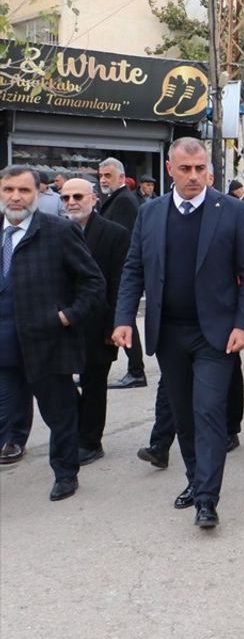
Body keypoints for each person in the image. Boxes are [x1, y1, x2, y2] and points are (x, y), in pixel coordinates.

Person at [112, 137, 244, 529]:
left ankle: (207, 500)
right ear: (170, 170)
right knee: (184, 417)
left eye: (200, 169)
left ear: (207, 169)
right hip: (169, 333)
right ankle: (195, 481)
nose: (194, 176)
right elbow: (133, 269)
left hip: (216, 334)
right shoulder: (151, 213)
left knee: (208, 411)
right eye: (185, 169)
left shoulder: (229, 210)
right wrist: (124, 318)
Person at [0, 166, 106, 499]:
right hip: (4, 342)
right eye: (8, 190)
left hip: (46, 341)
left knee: (59, 414)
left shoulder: (58, 231)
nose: (15, 197)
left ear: (38, 194)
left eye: (24, 191)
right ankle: (13, 442)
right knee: (6, 411)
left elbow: (93, 282)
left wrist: (66, 316)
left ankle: (65, 473)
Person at [59, 178, 130, 465]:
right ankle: (75, 430)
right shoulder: (55, 231)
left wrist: (114, 324)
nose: (71, 202)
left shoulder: (115, 234)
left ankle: (90, 441)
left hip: (99, 322)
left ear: (93, 199)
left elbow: (119, 282)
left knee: (94, 383)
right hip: (64, 322)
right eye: (65, 198)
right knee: (57, 381)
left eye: (77, 196)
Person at [99, 157, 146, 390]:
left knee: (124, 319)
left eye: (108, 175)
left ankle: (136, 371)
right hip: (112, 273)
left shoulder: (124, 201)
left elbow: (125, 241)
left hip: (120, 273)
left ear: (120, 177)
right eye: (101, 176)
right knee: (119, 319)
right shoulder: (114, 199)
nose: (103, 180)